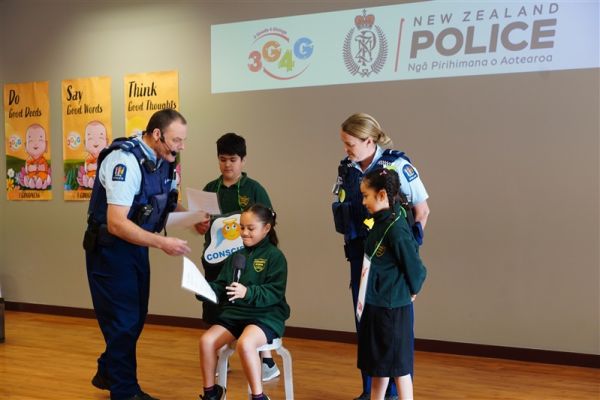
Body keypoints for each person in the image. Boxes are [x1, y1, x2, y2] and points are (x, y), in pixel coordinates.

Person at [83, 108, 191, 400]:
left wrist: (193, 218)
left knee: (135, 317)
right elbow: (117, 223)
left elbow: (166, 203)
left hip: (136, 247)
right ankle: (125, 391)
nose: (181, 147)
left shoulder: (164, 161)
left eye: (183, 140)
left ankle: (108, 371)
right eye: (176, 140)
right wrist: (162, 243)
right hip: (110, 251)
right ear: (157, 134)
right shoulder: (125, 161)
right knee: (124, 320)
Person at [332, 112, 430, 400]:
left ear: (368, 140)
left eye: (350, 143)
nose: (346, 149)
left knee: (394, 333)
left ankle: (394, 394)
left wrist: (406, 255)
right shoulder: (347, 168)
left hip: (391, 264)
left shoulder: (397, 165)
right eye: (344, 143)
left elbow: (422, 210)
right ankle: (370, 391)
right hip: (361, 258)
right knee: (366, 325)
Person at [195, 132, 279, 381]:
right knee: (214, 306)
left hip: (247, 262)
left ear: (243, 160)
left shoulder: (254, 189)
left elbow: (269, 220)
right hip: (215, 260)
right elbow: (200, 225)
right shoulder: (210, 189)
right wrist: (199, 224)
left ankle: (266, 361)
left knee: (250, 305)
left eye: (233, 159)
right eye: (222, 159)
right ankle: (219, 355)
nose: (227, 165)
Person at [197, 203, 290, 400]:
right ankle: (211, 393)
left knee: (245, 344)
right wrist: (204, 290)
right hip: (235, 314)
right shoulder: (235, 255)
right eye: (241, 227)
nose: (244, 232)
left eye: (251, 228)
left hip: (264, 316)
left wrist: (248, 292)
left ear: (266, 228)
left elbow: (274, 292)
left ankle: (258, 396)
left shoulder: (275, 257)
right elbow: (222, 286)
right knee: (206, 341)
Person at [357, 168, 427, 400]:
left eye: (366, 196)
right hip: (377, 304)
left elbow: (415, 267)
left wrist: (413, 289)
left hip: (392, 309)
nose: (363, 201)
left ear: (382, 195)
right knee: (380, 367)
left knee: (399, 368)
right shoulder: (379, 221)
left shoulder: (396, 228)